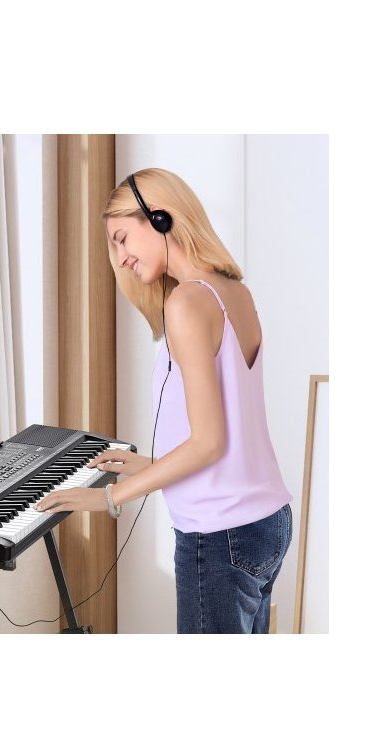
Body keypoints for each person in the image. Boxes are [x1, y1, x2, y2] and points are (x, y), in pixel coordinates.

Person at [35, 167, 294, 634]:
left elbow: (209, 442)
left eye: (122, 239)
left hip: (219, 535)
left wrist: (108, 498)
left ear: (160, 217)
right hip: (266, 522)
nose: (122, 258)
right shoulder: (235, 291)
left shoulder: (187, 303)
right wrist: (149, 465)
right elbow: (227, 431)